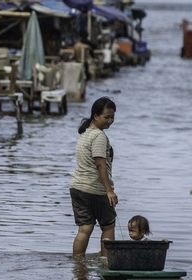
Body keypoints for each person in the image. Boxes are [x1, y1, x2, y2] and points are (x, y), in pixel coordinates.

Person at [70, 96, 118, 258]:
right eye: (106, 117)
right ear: (96, 115)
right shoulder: (99, 136)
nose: (110, 121)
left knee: (85, 228)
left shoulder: (85, 133)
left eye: (112, 117)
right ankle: (106, 262)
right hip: (95, 189)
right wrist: (109, 191)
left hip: (77, 188)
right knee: (108, 227)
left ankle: (77, 263)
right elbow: (100, 164)